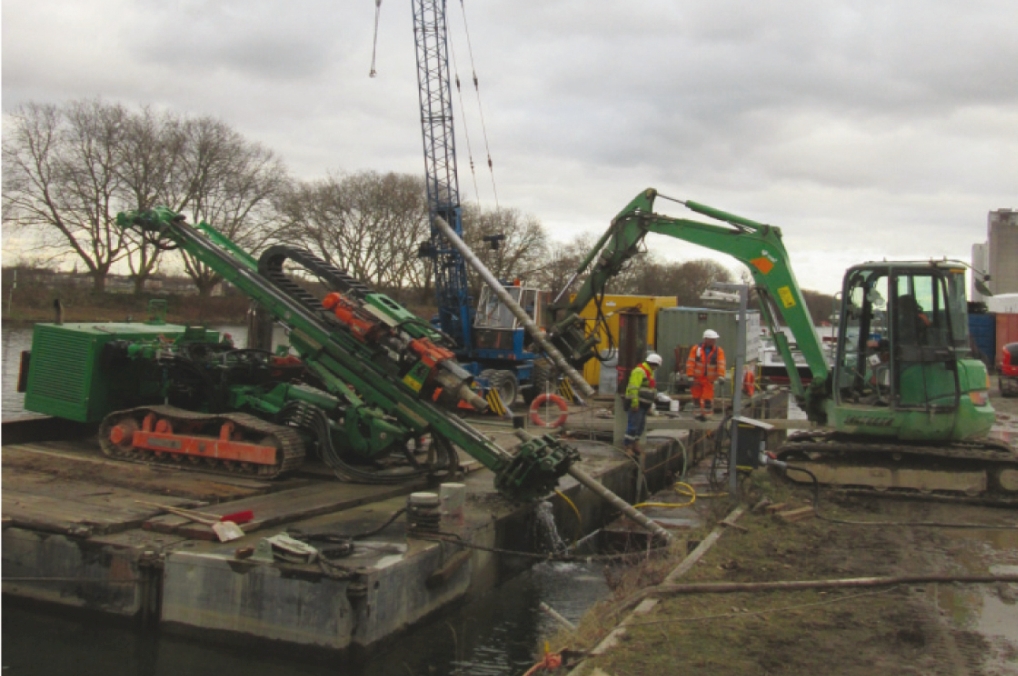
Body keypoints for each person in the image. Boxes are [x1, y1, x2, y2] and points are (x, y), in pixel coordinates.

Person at [624, 352, 662, 455]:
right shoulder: (639, 371)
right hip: (638, 404)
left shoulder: (649, 372)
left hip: (644, 404)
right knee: (633, 426)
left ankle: (635, 444)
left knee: (640, 426)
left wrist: (650, 405)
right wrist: (635, 403)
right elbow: (633, 387)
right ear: (654, 364)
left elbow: (650, 389)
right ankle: (628, 446)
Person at [685, 329, 726, 420]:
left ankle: (707, 414)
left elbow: (721, 364)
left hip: (709, 379)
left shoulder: (719, 351)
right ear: (706, 339)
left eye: (714, 339)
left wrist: (721, 376)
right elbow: (690, 363)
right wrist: (690, 376)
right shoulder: (696, 349)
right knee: (696, 396)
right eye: (712, 339)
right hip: (696, 378)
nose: (714, 341)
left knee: (708, 397)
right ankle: (697, 413)